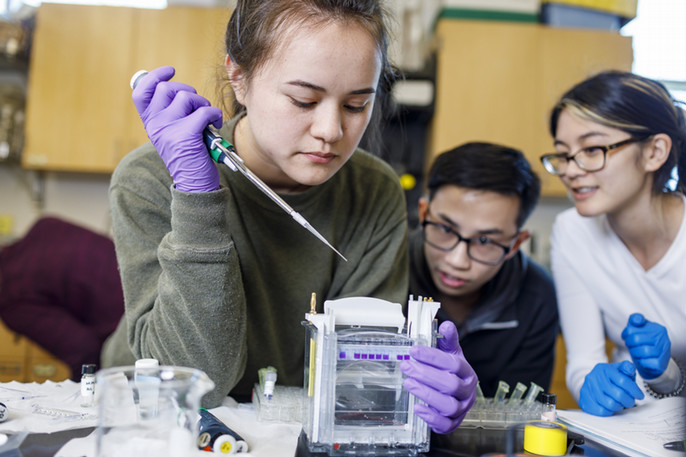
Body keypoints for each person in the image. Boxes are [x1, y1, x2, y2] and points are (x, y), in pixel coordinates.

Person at [102, 0, 475, 432]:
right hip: (151, 426)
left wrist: (425, 391)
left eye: (356, 105)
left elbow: (360, 388)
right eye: (304, 99)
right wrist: (196, 195)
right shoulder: (149, 178)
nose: (331, 131)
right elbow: (197, 385)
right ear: (239, 78)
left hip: (285, 428)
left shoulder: (374, 192)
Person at [542, 70, 686, 416]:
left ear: (654, 151)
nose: (571, 170)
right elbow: (583, 361)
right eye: (563, 154)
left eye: (592, 149)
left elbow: (669, 381)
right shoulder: (572, 232)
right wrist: (592, 382)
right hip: (630, 430)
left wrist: (667, 374)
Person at [409, 142, 558, 398]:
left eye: (485, 241)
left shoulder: (537, 296)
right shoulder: (384, 265)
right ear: (424, 213)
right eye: (445, 229)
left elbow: (519, 419)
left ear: (515, 244)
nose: (457, 260)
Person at [0, 217, 124, 380]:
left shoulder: (11, 297)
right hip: (156, 291)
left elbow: (83, 350)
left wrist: (80, 399)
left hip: (132, 331)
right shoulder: (45, 225)